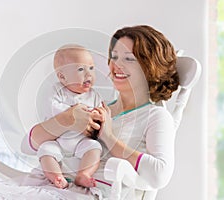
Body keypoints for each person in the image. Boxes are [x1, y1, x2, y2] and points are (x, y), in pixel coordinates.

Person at [21, 25, 179, 198]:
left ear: (149, 66)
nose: (116, 65)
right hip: (55, 187)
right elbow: (27, 147)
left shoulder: (156, 117)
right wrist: (66, 120)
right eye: (114, 57)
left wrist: (108, 137)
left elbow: (159, 175)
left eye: (129, 58)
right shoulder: (99, 107)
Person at [36, 44, 103, 189]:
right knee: (45, 150)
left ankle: (83, 174)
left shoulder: (94, 95)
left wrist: (97, 114)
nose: (88, 74)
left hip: (81, 141)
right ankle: (56, 176)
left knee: (95, 148)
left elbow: (99, 113)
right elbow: (52, 107)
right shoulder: (57, 91)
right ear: (62, 77)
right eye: (80, 69)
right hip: (58, 140)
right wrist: (74, 112)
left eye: (91, 68)